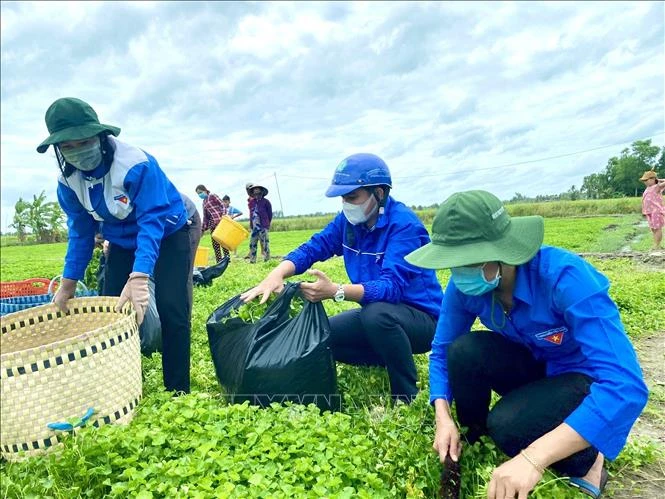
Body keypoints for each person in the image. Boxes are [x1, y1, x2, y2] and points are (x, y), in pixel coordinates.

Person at [404, 190, 648, 499]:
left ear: (501, 251)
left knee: (507, 426)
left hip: (578, 380)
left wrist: (534, 457)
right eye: (453, 264)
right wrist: (443, 415)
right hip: (534, 365)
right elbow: (441, 349)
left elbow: (627, 386)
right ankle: (473, 438)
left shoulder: (565, 278)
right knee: (464, 350)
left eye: (469, 262)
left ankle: (590, 461)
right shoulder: (466, 285)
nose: (459, 273)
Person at [241, 154, 444, 403]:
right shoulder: (348, 223)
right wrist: (277, 272)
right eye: (343, 198)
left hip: (422, 320)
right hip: (380, 314)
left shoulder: (404, 226)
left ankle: (405, 395)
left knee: (377, 315)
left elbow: (391, 288)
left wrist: (336, 290)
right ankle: (386, 356)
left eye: (352, 197)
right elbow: (315, 246)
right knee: (322, 335)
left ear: (379, 193)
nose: (346, 204)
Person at [38, 97, 192, 394]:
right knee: (114, 311)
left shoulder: (136, 164)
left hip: (169, 234)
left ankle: (178, 391)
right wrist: (68, 283)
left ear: (99, 136)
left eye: (82, 142)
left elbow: (151, 220)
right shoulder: (68, 183)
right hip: (121, 241)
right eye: (66, 147)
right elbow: (81, 232)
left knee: (173, 309)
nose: (76, 152)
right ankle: (122, 385)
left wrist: (140, 275)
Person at [196, 184, 229, 262]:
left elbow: (222, 205)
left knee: (222, 241)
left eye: (200, 192)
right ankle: (219, 260)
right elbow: (205, 217)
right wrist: (203, 229)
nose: (200, 194)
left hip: (220, 221)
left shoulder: (212, 196)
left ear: (205, 190)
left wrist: (224, 215)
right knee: (215, 243)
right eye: (198, 194)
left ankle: (227, 258)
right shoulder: (204, 202)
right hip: (212, 224)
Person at [245, 182, 272, 263]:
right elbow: (251, 214)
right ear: (252, 193)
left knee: (265, 244)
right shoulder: (251, 202)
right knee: (252, 244)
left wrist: (267, 224)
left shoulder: (266, 202)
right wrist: (251, 225)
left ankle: (267, 260)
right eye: (254, 191)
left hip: (263, 226)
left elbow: (270, 214)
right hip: (254, 227)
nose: (256, 192)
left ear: (261, 192)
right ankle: (252, 260)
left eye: (258, 190)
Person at [639, 170, 665, 250]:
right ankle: (656, 244)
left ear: (653, 179)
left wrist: (659, 180)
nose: (645, 182)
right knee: (653, 229)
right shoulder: (648, 188)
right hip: (649, 212)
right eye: (644, 181)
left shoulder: (657, 187)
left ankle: (657, 245)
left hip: (656, 211)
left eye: (646, 180)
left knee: (657, 228)